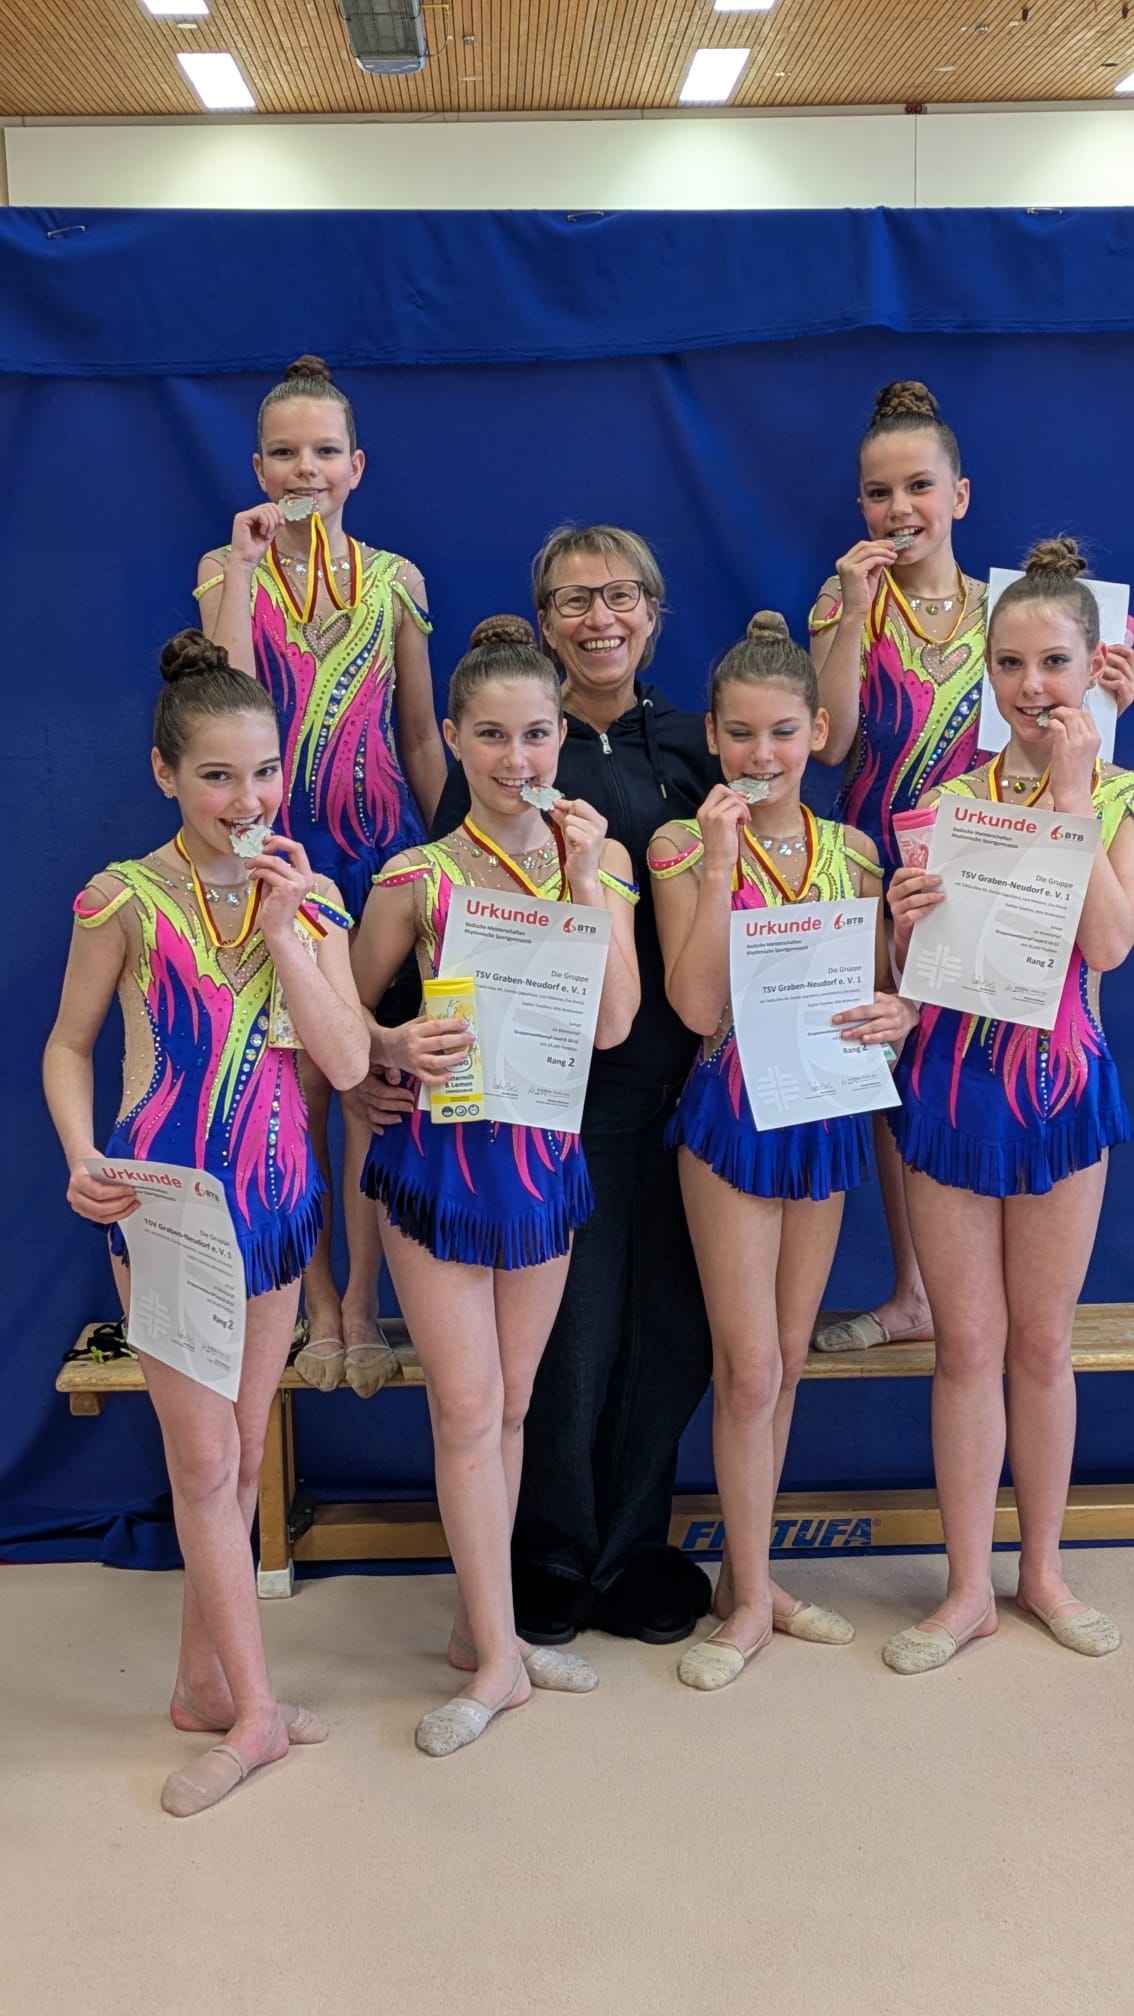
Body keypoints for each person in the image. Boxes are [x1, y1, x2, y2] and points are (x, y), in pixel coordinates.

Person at [42, 631, 369, 1814]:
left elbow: (346, 1060)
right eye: (218, 775)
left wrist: (287, 931)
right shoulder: (122, 899)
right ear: (165, 774)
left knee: (238, 1457)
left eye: (265, 772)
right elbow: (69, 1044)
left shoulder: (312, 899)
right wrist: (82, 1157)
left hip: (276, 1206)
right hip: (166, 1208)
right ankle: (259, 1712)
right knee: (204, 1461)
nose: (247, 799)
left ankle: (200, 1687)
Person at [351, 624, 640, 1753]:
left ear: (561, 735)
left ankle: (491, 1632)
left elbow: (613, 1026)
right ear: (455, 740)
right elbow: (338, 1028)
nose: (517, 760)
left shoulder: (602, 863)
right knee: (467, 1411)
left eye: (536, 735)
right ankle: (499, 1660)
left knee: (514, 1407)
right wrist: (389, 1049)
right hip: (440, 1168)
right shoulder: (413, 878)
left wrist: (586, 881)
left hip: (542, 1168)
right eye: (492, 737)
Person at [432, 532, 719, 1648]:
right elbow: (452, 919)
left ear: (654, 609)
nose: (600, 617)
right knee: (573, 1339)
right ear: (543, 622)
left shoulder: (700, 747)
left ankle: (638, 1547)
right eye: (572, 600)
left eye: (621, 596)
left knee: (673, 1334)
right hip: (554, 1098)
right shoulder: (513, 764)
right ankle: (550, 1551)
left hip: (690, 1089)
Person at [809, 382, 1134, 1357]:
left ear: (957, 495)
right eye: (878, 493)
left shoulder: (1014, 608)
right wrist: (850, 614)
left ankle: (1007, 1298)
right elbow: (832, 743)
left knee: (1045, 1029)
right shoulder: (845, 600)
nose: (898, 508)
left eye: (918, 486)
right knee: (900, 1059)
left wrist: (1113, 704)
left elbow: (1072, 741)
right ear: (860, 505)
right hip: (893, 866)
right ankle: (915, 1289)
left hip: (1018, 860)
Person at [649, 614, 918, 1688]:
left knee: (789, 1361)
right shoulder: (680, 847)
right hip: (732, 1119)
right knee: (748, 1366)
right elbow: (693, 1003)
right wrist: (720, 868)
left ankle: (746, 1580)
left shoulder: (854, 853)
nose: (762, 755)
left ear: (816, 732)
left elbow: (881, 993)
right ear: (713, 735)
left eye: (783, 734)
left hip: (825, 1116)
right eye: (741, 735)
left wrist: (898, 1012)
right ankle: (753, 1600)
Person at [883, 538, 1134, 1672]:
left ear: (1093, 666)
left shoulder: (1115, 796)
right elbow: (916, 973)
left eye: (1055, 663)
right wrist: (902, 922)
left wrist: (1075, 799)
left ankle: (1042, 1570)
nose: (1033, 686)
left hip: (1061, 1091)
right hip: (951, 1091)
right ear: (987, 673)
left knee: (1040, 1343)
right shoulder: (946, 802)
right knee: (967, 1346)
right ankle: (964, 1589)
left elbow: (1109, 947)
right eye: (1011, 664)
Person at [195, 355, 446, 1398]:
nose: (306, 469)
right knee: (291, 1088)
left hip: (378, 860)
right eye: (286, 453)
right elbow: (223, 702)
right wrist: (245, 565)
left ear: (357, 466)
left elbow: (420, 735)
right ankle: (316, 1299)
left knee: (371, 1084)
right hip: (278, 864)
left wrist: (452, 856)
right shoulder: (227, 571)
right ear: (259, 468)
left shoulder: (396, 581)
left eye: (325, 451)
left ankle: (366, 1303)